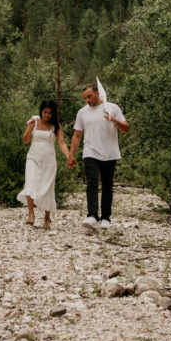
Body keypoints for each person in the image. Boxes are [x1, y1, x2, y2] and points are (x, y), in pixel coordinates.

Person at [67, 82, 130, 230]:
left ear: (97, 93)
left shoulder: (112, 108)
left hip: (109, 152)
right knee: (92, 183)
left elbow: (126, 129)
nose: (87, 100)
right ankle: (92, 216)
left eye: (89, 96)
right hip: (90, 152)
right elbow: (77, 135)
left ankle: (106, 218)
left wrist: (113, 119)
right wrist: (71, 154)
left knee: (107, 186)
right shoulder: (82, 113)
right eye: (85, 98)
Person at [18, 99, 70, 228]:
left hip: (49, 161)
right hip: (33, 158)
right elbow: (25, 140)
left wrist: (69, 156)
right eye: (45, 112)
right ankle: (31, 214)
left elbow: (62, 143)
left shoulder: (56, 126)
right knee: (30, 182)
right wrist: (29, 128)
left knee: (47, 188)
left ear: (53, 114)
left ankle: (47, 218)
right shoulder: (34, 122)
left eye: (50, 113)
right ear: (41, 111)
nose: (46, 115)